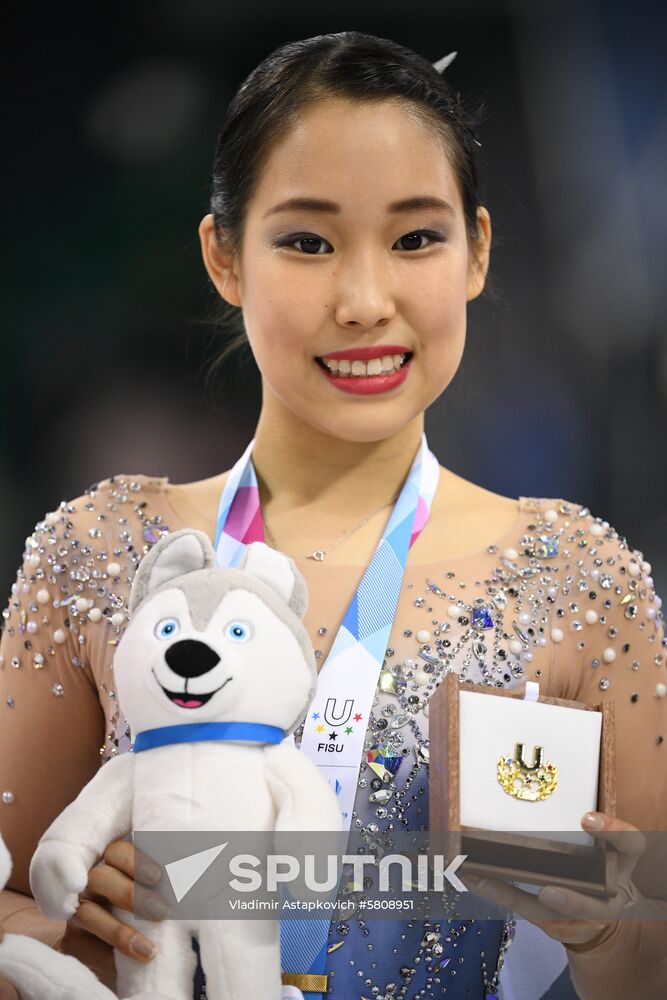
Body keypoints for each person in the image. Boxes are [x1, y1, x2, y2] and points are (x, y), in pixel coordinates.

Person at [0, 30, 665, 1000]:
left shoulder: (578, 575)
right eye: (307, 240)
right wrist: (61, 923)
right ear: (225, 258)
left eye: (415, 237)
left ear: (476, 252)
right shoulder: (95, 553)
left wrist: (603, 934)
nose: (363, 299)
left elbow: (653, 952)